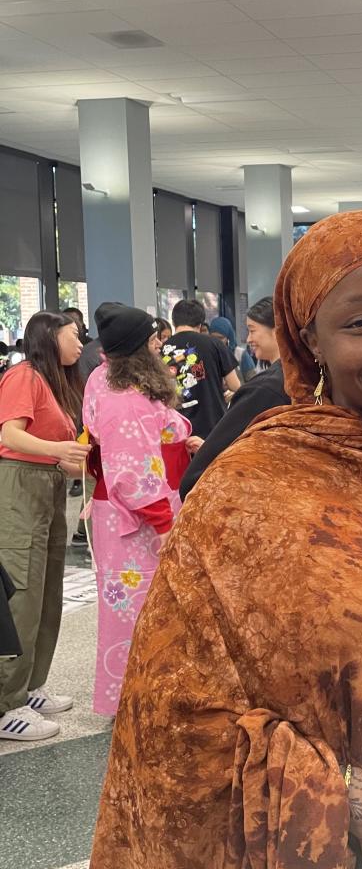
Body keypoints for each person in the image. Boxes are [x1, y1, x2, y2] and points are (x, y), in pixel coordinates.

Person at [85, 209, 362, 869]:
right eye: (360, 322)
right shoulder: (253, 490)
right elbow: (171, 722)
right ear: (308, 340)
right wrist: (350, 795)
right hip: (325, 866)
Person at [82, 304, 195, 717]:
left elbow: (162, 421)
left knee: (134, 607)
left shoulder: (103, 380)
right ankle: (137, 703)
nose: (159, 345)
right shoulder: (125, 401)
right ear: (139, 348)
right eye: (152, 340)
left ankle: (140, 697)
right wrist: (163, 523)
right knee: (136, 611)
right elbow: (131, 474)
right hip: (136, 519)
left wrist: (181, 432)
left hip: (121, 514)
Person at [0, 312, 89, 741]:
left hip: (47, 484)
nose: (80, 343)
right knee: (23, 590)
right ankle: (6, 703)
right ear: (50, 335)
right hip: (20, 486)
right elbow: (11, 436)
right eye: (75, 334)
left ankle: (31, 685)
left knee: (48, 589)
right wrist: (57, 449)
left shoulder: (55, 383)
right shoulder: (25, 376)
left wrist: (62, 460)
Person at [180, 297, 291, 498]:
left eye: (252, 329)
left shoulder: (266, 389)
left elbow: (194, 479)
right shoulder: (305, 377)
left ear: (277, 330)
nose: (248, 339)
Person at [161, 299, 241, 439]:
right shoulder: (215, 344)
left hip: (176, 429)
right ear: (200, 323)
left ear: (174, 322)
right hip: (213, 427)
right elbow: (235, 386)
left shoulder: (162, 349)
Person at [209, 315, 257, 382]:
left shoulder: (240, 354)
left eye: (220, 338)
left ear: (228, 338)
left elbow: (253, 381)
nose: (216, 341)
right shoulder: (208, 354)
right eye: (213, 337)